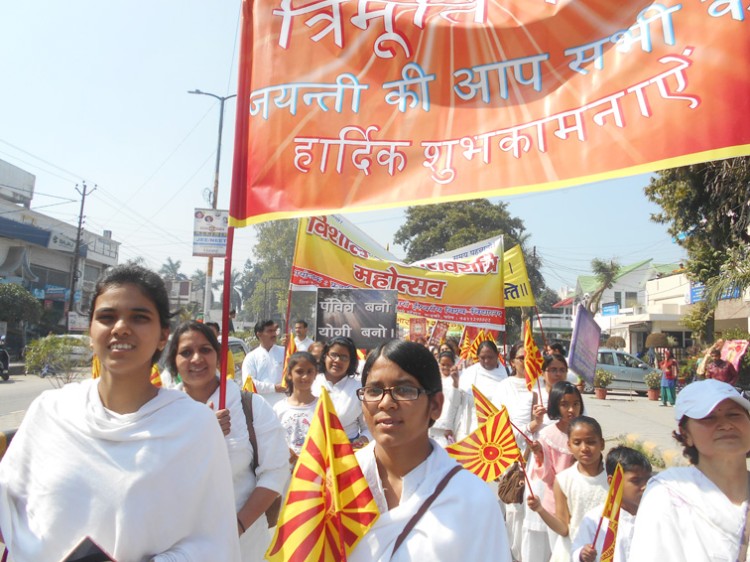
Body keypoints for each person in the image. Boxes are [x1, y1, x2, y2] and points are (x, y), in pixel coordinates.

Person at [0, 265, 241, 561]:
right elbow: (10, 510)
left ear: (163, 335)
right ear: (90, 330)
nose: (121, 328)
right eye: (107, 317)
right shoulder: (50, 411)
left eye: (139, 317)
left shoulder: (195, 427)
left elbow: (215, 541)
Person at [349, 340, 512, 561]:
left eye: (404, 390)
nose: (386, 403)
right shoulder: (337, 482)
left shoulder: (472, 499)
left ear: (435, 405)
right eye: (374, 390)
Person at [167, 321, 289, 561]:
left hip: (242, 542)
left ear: (218, 356)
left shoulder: (251, 407)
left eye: (205, 350)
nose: (196, 359)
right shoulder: (160, 411)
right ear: (173, 360)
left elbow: (275, 472)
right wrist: (199, 431)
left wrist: (237, 527)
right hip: (174, 541)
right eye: (186, 352)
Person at [629, 379, 750, 561]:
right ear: (686, 435)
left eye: (734, 415)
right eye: (709, 418)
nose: (726, 425)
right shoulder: (667, 496)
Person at [528, 416, 609, 562]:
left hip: (606, 552)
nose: (584, 448)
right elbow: (563, 529)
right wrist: (540, 509)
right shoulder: (564, 480)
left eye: (591, 442)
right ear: (569, 446)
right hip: (571, 553)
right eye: (577, 443)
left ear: (601, 444)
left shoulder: (613, 479)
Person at [495, 342, 547, 560]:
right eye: (521, 358)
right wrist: (530, 427)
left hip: (540, 459)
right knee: (515, 511)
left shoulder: (543, 388)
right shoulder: (504, 387)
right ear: (512, 361)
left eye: (531, 358)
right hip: (513, 456)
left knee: (536, 510)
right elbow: (498, 425)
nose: (526, 363)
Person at [523, 381, 584, 562]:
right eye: (565, 405)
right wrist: (540, 455)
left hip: (581, 501)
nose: (571, 410)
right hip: (556, 505)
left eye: (575, 404)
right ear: (556, 405)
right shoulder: (548, 435)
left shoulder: (585, 430)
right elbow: (548, 477)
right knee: (561, 552)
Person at [572, 446, 652, 562]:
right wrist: (582, 554)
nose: (644, 486)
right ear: (613, 482)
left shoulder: (654, 516)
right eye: (636, 481)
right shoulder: (595, 519)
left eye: (648, 480)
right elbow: (577, 550)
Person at [312, 336, 371, 448]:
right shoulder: (312, 382)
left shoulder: (359, 388)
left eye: (344, 357)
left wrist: (361, 441)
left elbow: (368, 428)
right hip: (314, 452)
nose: (337, 360)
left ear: (351, 361)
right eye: (334, 355)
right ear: (325, 356)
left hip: (347, 454)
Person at [273, 351, 319, 466]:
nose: (305, 376)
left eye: (310, 372)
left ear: (315, 374)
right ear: (289, 374)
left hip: (315, 471)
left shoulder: (322, 407)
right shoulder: (279, 408)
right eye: (299, 372)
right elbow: (273, 441)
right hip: (286, 471)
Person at [458, 340, 508, 437]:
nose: (486, 361)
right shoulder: (469, 373)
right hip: (473, 427)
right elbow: (458, 400)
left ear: (497, 355)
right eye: (482, 358)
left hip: (497, 428)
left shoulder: (507, 374)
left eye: (490, 357)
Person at [241, 320, 285, 406]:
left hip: (283, 404)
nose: (274, 334)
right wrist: (274, 388)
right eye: (269, 331)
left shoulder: (284, 352)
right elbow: (249, 383)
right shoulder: (251, 357)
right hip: (261, 406)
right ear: (259, 334)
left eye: (274, 331)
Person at [429, 351, 462, 446]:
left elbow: (455, 402)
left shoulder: (458, 379)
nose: (446, 367)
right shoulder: (434, 379)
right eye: (443, 364)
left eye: (449, 365)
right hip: (433, 425)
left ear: (454, 364)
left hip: (447, 427)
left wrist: (455, 383)